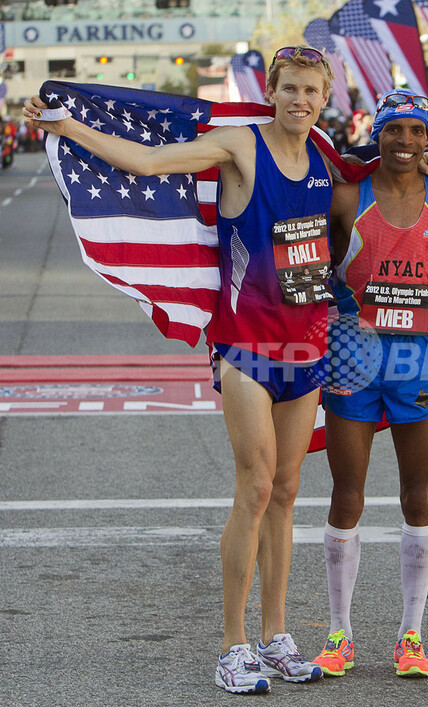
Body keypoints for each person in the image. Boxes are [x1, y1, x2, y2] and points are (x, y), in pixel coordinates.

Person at [23, 45, 339, 694]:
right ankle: (233, 645)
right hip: (246, 344)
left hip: (305, 345)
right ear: (271, 91)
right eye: (290, 88)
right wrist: (67, 126)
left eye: (311, 91)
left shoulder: (323, 158)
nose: (300, 100)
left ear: (324, 98)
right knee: (255, 487)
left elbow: (385, 181)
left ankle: (277, 635)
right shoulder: (241, 146)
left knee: (286, 491)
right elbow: (147, 161)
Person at [311, 89, 428, 679]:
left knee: (418, 494)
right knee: (347, 495)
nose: (404, 141)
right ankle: (340, 633)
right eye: (393, 130)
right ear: (375, 134)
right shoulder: (345, 197)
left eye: (416, 131)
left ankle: (411, 636)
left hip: (417, 360)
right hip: (352, 357)